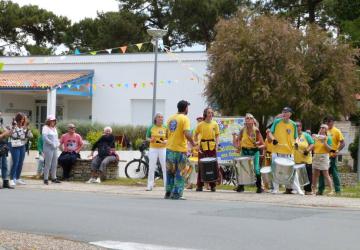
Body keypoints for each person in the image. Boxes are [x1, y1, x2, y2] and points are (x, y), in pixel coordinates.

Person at [165, 100, 196, 200]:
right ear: (186, 108)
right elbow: (187, 134)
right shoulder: (185, 119)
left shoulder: (170, 118)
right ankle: (177, 194)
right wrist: (193, 143)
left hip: (169, 149)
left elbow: (167, 134)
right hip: (180, 150)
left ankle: (168, 193)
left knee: (170, 173)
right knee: (180, 172)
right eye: (188, 107)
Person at [267, 107, 303, 195]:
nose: (285, 113)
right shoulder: (277, 122)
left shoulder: (293, 124)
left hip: (289, 153)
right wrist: (273, 139)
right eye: (283, 112)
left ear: (290, 114)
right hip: (277, 151)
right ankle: (275, 189)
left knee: (293, 171)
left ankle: (298, 189)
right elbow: (270, 132)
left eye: (287, 112)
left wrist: (296, 143)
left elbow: (296, 137)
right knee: (275, 170)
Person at [232, 113, 265, 193]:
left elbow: (262, 143)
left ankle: (259, 187)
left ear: (253, 120)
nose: (249, 119)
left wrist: (257, 144)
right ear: (245, 120)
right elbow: (236, 141)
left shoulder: (256, 130)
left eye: (250, 118)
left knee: (256, 169)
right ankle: (241, 186)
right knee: (242, 168)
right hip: (245, 151)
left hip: (254, 151)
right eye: (247, 118)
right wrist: (237, 145)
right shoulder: (243, 130)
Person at [194, 107, 220, 192]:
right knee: (201, 165)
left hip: (212, 146)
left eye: (211, 113)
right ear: (205, 114)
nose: (210, 114)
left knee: (213, 165)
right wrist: (197, 145)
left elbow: (217, 135)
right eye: (209, 113)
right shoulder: (200, 124)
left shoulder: (215, 124)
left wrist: (216, 145)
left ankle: (213, 185)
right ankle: (199, 185)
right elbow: (195, 135)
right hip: (203, 146)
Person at [318, 116, 345, 195]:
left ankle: (338, 190)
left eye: (329, 121)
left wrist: (337, 151)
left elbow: (343, 143)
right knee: (322, 173)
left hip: (332, 156)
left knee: (334, 173)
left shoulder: (337, 131)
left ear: (333, 122)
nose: (328, 123)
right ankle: (320, 190)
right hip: (323, 155)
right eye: (326, 121)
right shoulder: (323, 130)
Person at [9, 113, 32, 186]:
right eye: (23, 119)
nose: (24, 120)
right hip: (15, 145)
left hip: (22, 145)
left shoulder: (24, 127)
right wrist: (22, 133)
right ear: (19, 119)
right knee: (15, 162)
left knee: (21, 162)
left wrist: (27, 131)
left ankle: (18, 178)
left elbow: (30, 136)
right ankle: (12, 179)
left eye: (24, 119)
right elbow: (13, 135)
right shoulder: (14, 126)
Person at [145, 113, 167, 191]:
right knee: (151, 166)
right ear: (155, 119)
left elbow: (169, 137)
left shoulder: (165, 127)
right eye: (159, 117)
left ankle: (166, 186)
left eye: (162, 117)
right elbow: (147, 137)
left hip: (163, 149)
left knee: (164, 167)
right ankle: (150, 185)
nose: (161, 118)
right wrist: (150, 140)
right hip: (153, 149)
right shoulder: (151, 127)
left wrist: (166, 141)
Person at [312, 124, 334, 195]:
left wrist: (324, 142)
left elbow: (330, 149)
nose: (321, 129)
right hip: (316, 155)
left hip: (324, 156)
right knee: (315, 174)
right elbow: (313, 146)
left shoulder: (328, 138)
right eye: (321, 127)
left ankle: (331, 190)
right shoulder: (316, 137)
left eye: (323, 128)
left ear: (326, 130)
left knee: (325, 173)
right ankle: (314, 189)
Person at [293, 121, 314, 195]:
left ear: (301, 127)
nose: (296, 127)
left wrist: (307, 150)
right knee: (294, 175)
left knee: (307, 176)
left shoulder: (306, 135)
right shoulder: (292, 135)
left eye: (298, 126)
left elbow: (312, 144)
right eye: (295, 126)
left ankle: (308, 190)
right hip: (295, 159)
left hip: (306, 160)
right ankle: (290, 189)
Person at [42, 114, 61, 185]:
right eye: (52, 120)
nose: (53, 122)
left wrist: (58, 143)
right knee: (48, 163)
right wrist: (51, 143)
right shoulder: (45, 127)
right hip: (48, 147)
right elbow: (45, 138)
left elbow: (56, 138)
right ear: (48, 121)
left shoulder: (54, 128)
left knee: (54, 163)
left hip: (55, 147)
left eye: (54, 120)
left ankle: (54, 178)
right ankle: (45, 179)